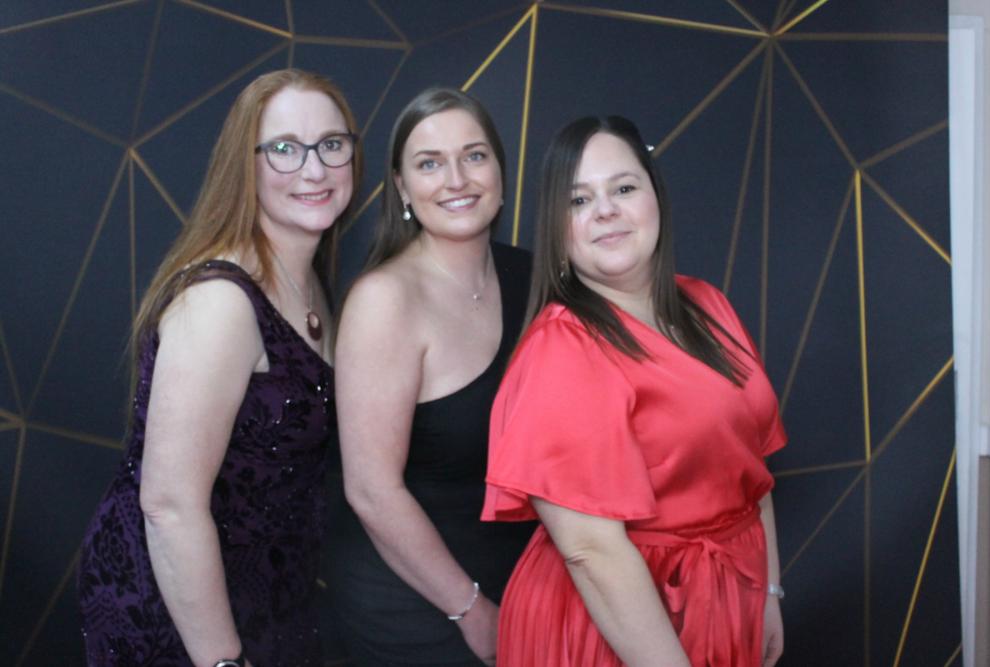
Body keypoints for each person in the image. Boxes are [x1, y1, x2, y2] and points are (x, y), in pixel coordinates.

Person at [77, 68, 361, 667]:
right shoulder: (221, 302)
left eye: (331, 144)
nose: (314, 170)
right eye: (285, 149)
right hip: (182, 616)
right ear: (244, 165)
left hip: (270, 597)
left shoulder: (308, 282)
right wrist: (222, 661)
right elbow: (169, 504)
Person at [481, 116, 787, 667]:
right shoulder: (562, 348)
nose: (605, 210)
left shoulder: (708, 306)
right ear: (558, 228)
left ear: (655, 197)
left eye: (623, 188)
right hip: (616, 629)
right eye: (579, 200)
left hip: (725, 596)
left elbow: (752, 473)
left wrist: (766, 593)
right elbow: (590, 551)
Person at [326, 87, 534, 666]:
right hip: (420, 607)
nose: (456, 180)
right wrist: (472, 611)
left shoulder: (533, 278)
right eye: (429, 163)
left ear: (499, 170)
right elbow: (371, 490)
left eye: (474, 156)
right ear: (402, 187)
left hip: (521, 588)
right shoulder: (384, 301)